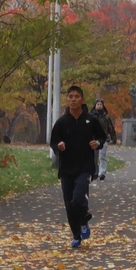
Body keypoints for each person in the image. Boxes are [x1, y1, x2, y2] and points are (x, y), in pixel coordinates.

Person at [50, 85, 107, 248]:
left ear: (82, 100)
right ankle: (77, 236)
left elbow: (102, 137)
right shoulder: (62, 122)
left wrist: (97, 143)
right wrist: (58, 146)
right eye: (70, 96)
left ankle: (83, 220)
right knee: (69, 204)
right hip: (66, 169)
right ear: (67, 100)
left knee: (78, 199)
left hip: (85, 167)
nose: (73, 99)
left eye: (76, 96)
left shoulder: (91, 120)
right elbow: (53, 142)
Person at [89, 98, 117, 181]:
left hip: (104, 139)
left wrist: (113, 137)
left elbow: (110, 128)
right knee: (94, 157)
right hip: (94, 139)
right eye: (98, 104)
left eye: (101, 104)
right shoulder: (91, 117)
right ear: (95, 105)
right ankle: (95, 173)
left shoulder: (106, 116)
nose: (99, 105)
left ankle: (102, 173)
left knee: (102, 156)